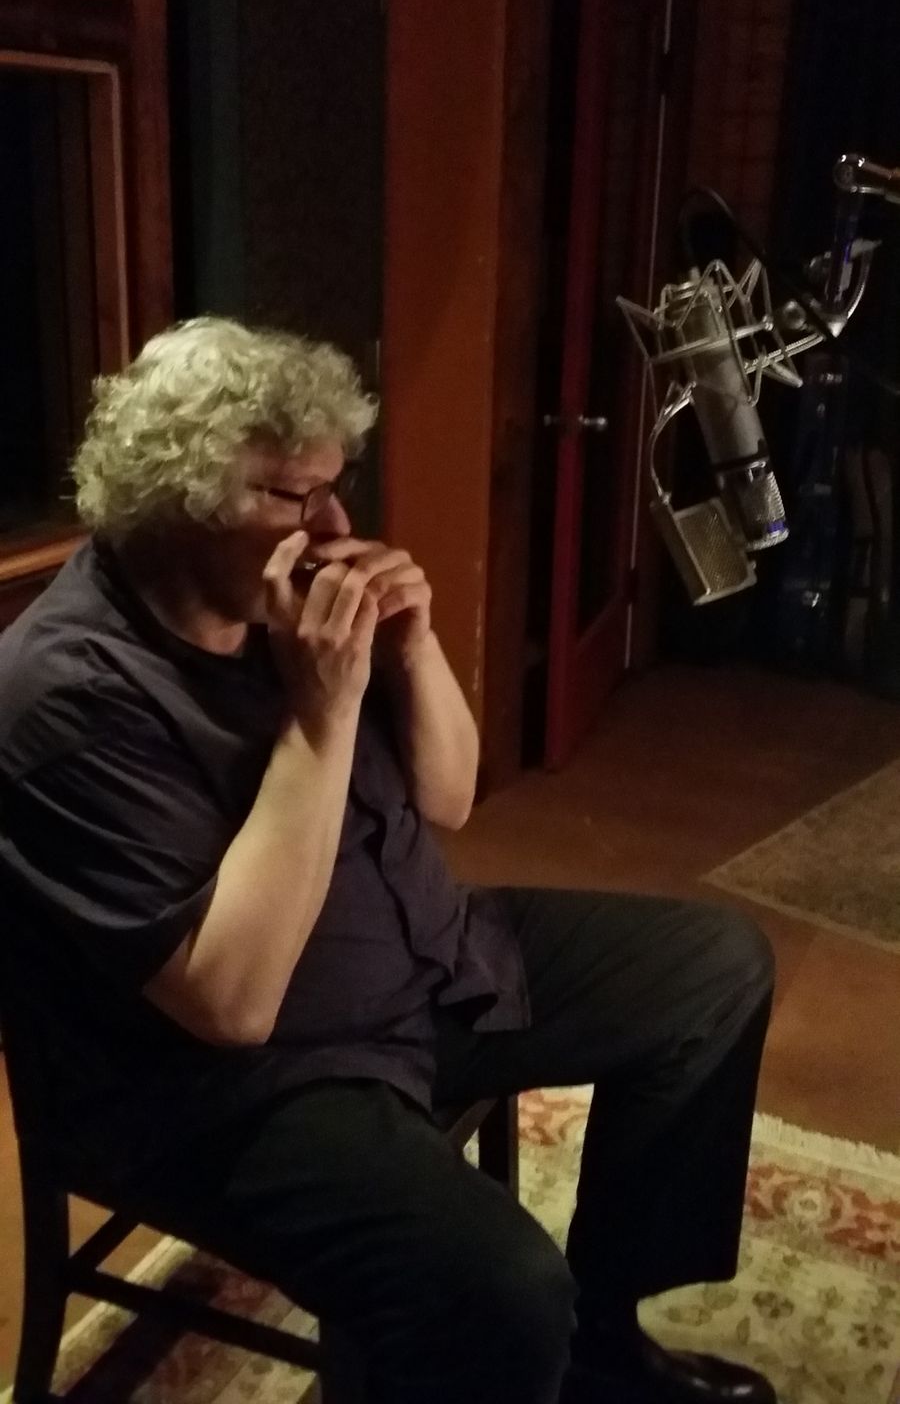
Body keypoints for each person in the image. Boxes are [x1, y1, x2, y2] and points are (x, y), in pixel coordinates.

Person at [0, 318, 777, 1404]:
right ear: (177, 503)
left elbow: (449, 796)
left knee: (713, 970)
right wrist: (321, 716)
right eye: (294, 494)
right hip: (239, 1084)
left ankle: (601, 1340)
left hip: (422, 956)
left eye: (337, 485)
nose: (333, 524)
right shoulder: (64, 693)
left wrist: (414, 646)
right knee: (495, 1289)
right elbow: (230, 1004)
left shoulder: (274, 602)